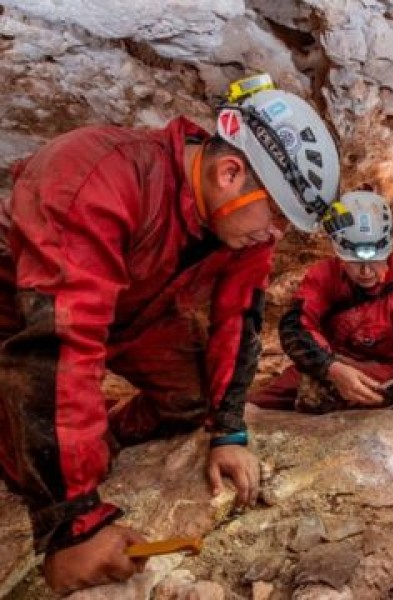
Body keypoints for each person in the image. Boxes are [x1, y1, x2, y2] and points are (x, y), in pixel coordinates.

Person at [0, 74, 341, 594]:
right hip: (27, 314)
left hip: (133, 310)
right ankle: (53, 465)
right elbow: (59, 347)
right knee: (26, 450)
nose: (276, 235)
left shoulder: (240, 232)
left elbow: (240, 321)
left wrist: (228, 430)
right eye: (277, 216)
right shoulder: (96, 174)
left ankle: (98, 438)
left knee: (193, 399)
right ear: (230, 172)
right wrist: (74, 525)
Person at [249, 191, 393, 413]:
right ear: (339, 255)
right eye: (354, 262)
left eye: (375, 261)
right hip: (329, 365)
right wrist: (330, 367)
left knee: (337, 392)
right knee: (256, 403)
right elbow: (296, 328)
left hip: (382, 376)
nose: (366, 271)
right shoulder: (324, 277)